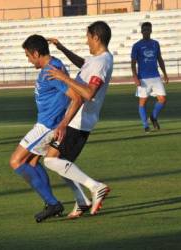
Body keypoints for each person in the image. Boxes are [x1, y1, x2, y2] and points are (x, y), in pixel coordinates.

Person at [9, 34, 84, 223]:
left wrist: (63, 123)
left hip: (47, 125)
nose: (28, 60)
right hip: (46, 122)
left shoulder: (51, 70)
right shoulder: (54, 65)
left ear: (36, 53)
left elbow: (76, 97)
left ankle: (52, 203)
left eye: (28, 56)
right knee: (32, 163)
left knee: (16, 161)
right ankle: (51, 204)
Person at [44, 20, 113, 216]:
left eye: (88, 38)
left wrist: (62, 77)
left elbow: (89, 93)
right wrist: (62, 48)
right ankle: (81, 201)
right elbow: (84, 64)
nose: (87, 42)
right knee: (63, 164)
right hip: (76, 119)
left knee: (51, 161)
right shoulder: (97, 59)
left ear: (96, 37)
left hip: (79, 120)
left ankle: (96, 186)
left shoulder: (101, 62)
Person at [131, 22, 169, 133]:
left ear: (151, 31)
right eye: (145, 30)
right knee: (143, 102)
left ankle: (153, 117)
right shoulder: (136, 46)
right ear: (141, 31)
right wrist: (135, 78)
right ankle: (145, 125)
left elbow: (160, 59)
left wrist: (165, 74)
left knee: (162, 99)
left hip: (156, 76)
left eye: (148, 29)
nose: (146, 31)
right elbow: (133, 64)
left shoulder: (155, 44)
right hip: (143, 78)